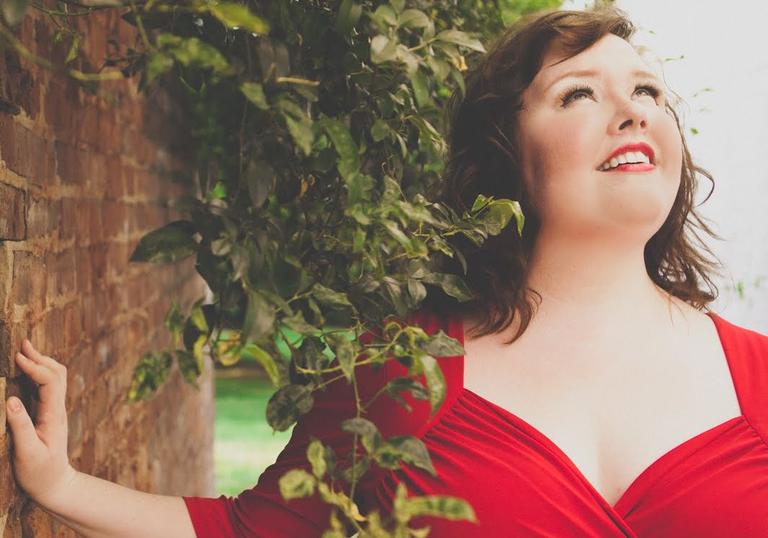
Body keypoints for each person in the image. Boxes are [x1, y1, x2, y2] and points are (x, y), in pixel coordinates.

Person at [5, 5, 768, 537]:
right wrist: (60, 486)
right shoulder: (407, 372)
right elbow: (252, 531)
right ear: (506, 155)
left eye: (648, 92)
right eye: (578, 93)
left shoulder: (760, 378)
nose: (634, 111)